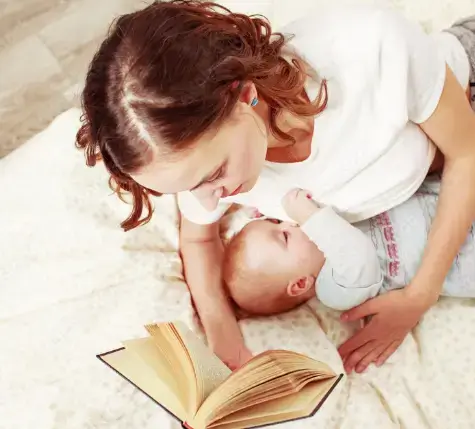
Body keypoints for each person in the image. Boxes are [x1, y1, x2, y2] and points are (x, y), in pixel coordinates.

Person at [75, 0, 475, 372]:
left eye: (212, 175)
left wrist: (419, 295)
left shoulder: (369, 48)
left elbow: (466, 155)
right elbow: (199, 239)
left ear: (244, 96)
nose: (207, 200)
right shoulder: (198, 158)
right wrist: (222, 329)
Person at [223, 184, 475, 372]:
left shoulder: (323, 235)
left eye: (277, 222)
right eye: (283, 236)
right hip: (464, 257)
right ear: (300, 284)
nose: (289, 225)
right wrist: (306, 213)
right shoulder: (335, 290)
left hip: (446, 201)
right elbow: (357, 253)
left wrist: (269, 205)